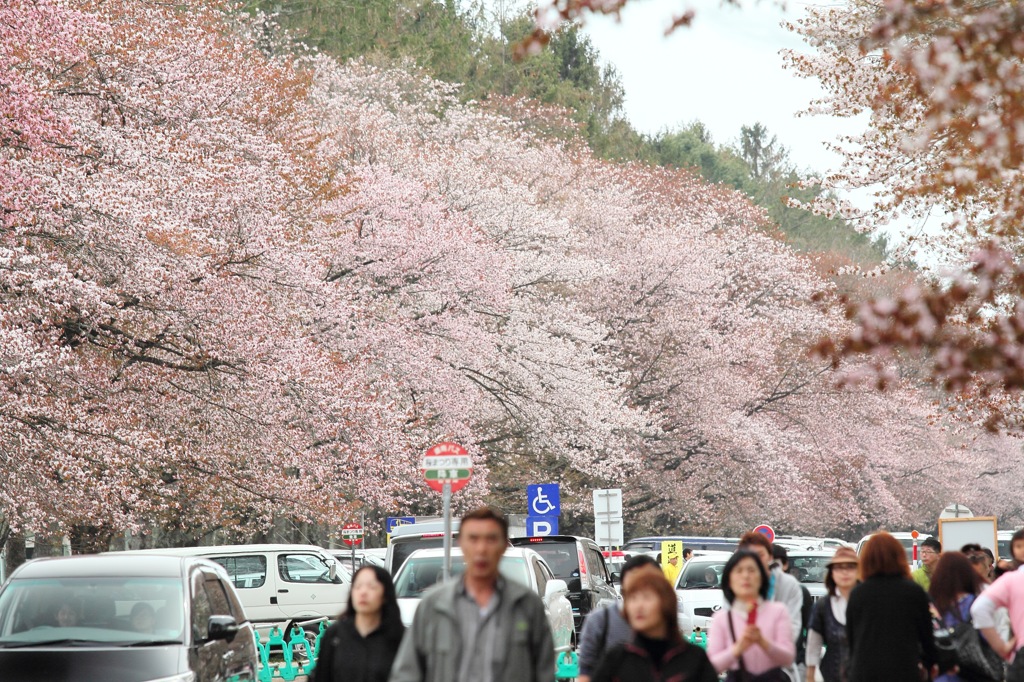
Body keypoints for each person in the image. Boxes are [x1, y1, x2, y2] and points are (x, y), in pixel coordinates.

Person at [389, 506, 554, 682]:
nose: (481, 549)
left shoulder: (527, 605)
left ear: (504, 545)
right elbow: (407, 673)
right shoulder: (433, 606)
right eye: (473, 539)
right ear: (461, 542)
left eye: (491, 539)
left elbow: (543, 672)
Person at [591, 565, 717, 682]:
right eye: (633, 599)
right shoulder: (616, 659)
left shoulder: (694, 658)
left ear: (666, 604)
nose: (638, 606)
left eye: (646, 597)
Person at [846, 531, 937, 682]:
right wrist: (930, 663)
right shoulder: (914, 592)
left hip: (865, 670)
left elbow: (851, 637)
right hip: (904, 669)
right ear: (899, 557)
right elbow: (927, 636)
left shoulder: (858, 593)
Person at [707, 549, 795, 680]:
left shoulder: (778, 611)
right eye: (739, 571)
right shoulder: (721, 618)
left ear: (762, 578)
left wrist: (763, 642)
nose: (745, 576)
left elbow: (788, 658)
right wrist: (738, 648)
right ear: (729, 580)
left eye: (751, 570)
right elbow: (711, 666)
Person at [311, 564, 404, 682]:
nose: (363, 592)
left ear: (386, 594)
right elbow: (321, 676)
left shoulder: (400, 637)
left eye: (372, 587)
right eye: (358, 586)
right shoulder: (335, 634)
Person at [577, 554, 660, 682]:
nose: (640, 602)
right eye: (633, 590)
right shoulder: (600, 622)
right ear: (623, 589)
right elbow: (586, 673)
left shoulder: (666, 623)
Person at [739, 532, 802, 682]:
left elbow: (791, 629)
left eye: (760, 555)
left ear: (770, 557)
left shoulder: (788, 585)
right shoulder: (736, 584)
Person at [929, 552, 995, 682]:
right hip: (972, 671)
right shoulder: (976, 602)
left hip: (940, 672)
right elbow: (989, 639)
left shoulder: (931, 604)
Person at [971, 527, 1024, 666]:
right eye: (1019, 546)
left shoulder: (1010, 579)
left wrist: (1001, 647)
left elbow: (979, 609)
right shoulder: (1009, 578)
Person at [805, 547, 858, 682]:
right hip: (831, 675)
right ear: (832, 573)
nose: (845, 572)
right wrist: (810, 676)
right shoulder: (823, 606)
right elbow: (813, 645)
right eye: (839, 568)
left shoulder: (868, 603)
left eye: (850, 567)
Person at [774, 545, 813, 682]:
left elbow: (810, 628)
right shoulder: (756, 592)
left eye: (775, 563)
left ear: (785, 565)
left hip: (794, 661)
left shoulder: (800, 592)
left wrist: (805, 659)